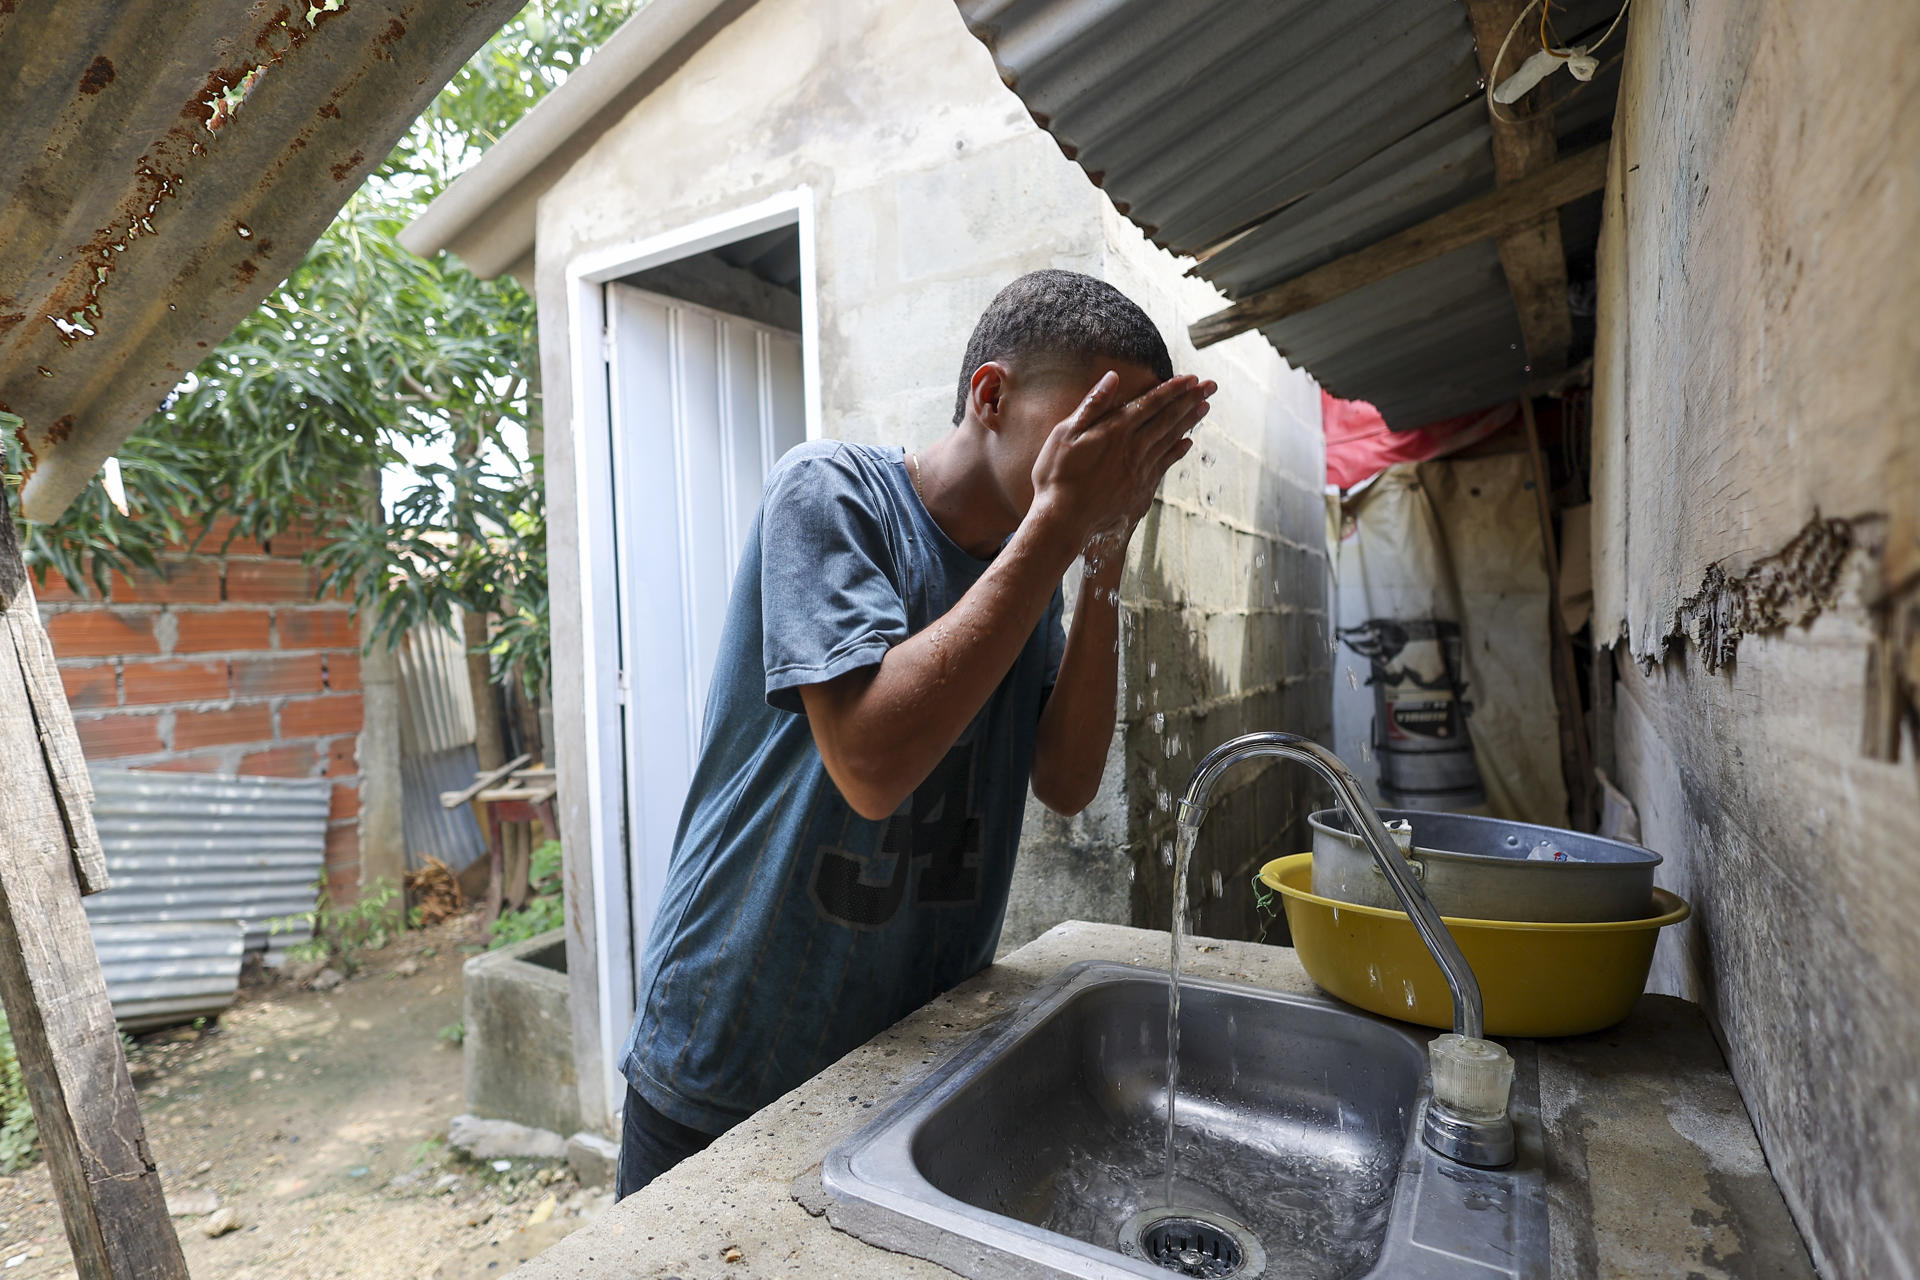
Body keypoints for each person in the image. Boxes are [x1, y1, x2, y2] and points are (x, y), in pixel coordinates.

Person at [614, 269, 1215, 1198]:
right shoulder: (830, 492)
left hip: (896, 1065)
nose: (1115, 463)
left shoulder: (1027, 569)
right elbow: (869, 762)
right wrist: (1059, 525)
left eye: (1138, 442)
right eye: (1101, 429)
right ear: (991, 395)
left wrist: (1103, 554)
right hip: (730, 1046)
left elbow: (1064, 778)